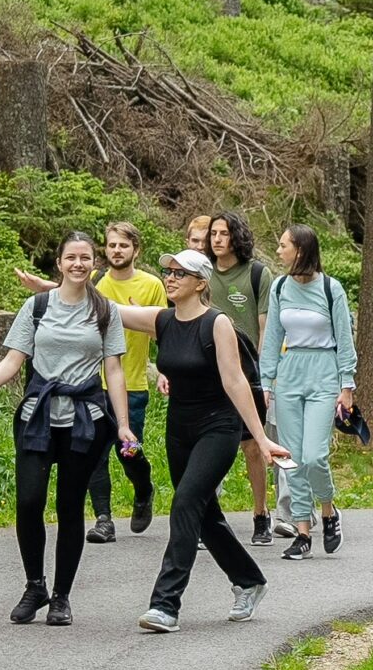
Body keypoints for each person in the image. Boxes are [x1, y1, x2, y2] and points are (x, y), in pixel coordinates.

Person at [0, 231, 135, 627]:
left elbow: (114, 370)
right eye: (71, 257)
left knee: (70, 508)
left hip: (83, 423)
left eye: (85, 258)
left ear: (94, 263)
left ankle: (61, 597)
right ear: (59, 263)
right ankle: (34, 585)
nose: (78, 264)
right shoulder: (37, 306)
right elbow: (13, 359)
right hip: (37, 417)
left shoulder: (106, 311)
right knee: (28, 502)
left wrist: (123, 425)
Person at [109, 249, 286, 633]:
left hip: (218, 428)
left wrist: (261, 438)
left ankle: (165, 605)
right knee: (204, 515)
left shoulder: (217, 323)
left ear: (200, 283)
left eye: (179, 273)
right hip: (179, 430)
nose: (170, 278)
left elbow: (236, 382)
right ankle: (250, 580)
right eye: (167, 272)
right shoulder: (164, 320)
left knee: (185, 503)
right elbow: (109, 310)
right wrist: (59, 288)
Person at [15, 221, 166, 543]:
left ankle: (143, 487)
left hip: (132, 384)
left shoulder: (152, 284)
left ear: (135, 250)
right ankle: (104, 519)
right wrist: (42, 285)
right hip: (90, 388)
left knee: (129, 451)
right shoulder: (96, 280)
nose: (117, 251)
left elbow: (166, 330)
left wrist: (162, 364)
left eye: (123, 246)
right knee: (93, 454)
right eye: (111, 245)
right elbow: (68, 292)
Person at [259, 225, 356, 561]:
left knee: (314, 455)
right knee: (290, 457)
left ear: (300, 250)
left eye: (283, 245)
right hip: (290, 373)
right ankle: (302, 532)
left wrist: (347, 386)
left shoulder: (331, 289)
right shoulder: (279, 287)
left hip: (324, 373)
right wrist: (266, 384)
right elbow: (272, 338)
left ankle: (328, 512)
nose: (279, 251)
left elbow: (345, 339)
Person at [205, 211, 278, 545]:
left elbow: (265, 328)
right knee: (208, 446)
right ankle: (209, 517)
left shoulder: (256, 274)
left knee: (251, 447)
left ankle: (261, 514)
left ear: (236, 237)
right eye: (213, 234)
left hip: (247, 372)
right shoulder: (202, 275)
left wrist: (263, 377)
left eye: (224, 233)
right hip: (208, 371)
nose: (217, 239)